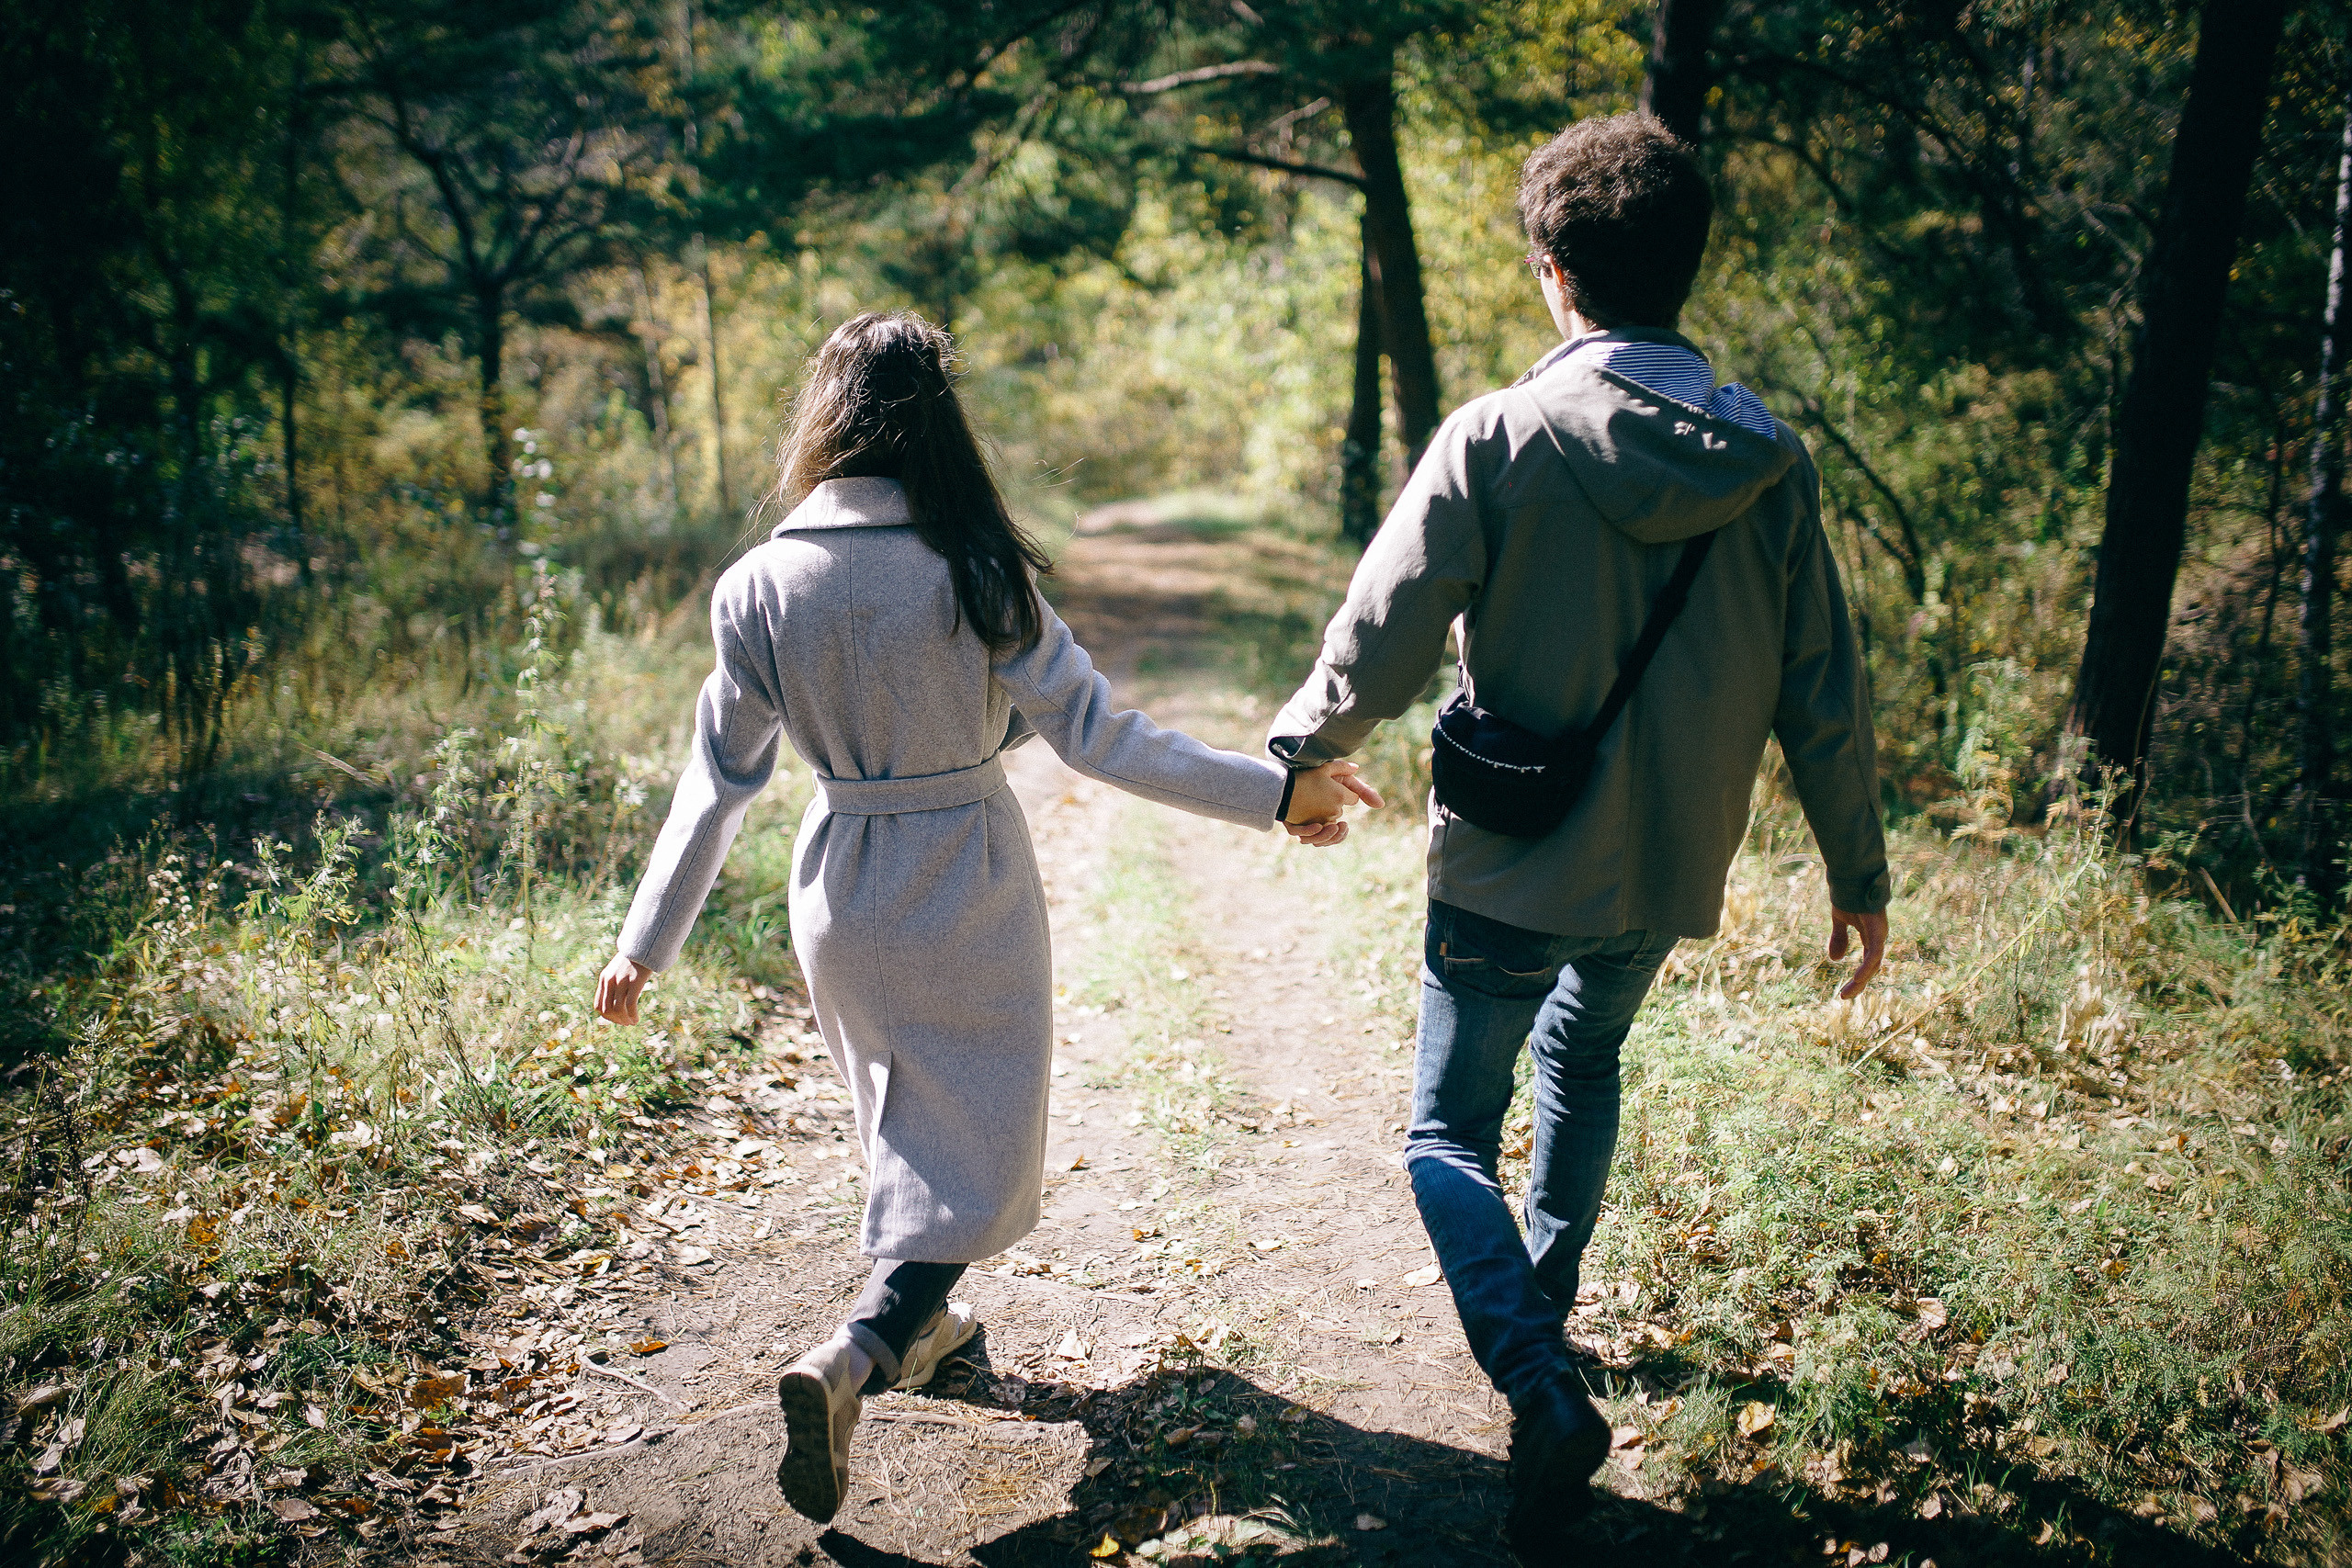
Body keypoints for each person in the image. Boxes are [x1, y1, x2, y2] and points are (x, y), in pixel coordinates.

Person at [592, 311, 1379, 1524]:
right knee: (986, 1148)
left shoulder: (756, 586)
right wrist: (1275, 793)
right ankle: (858, 1350)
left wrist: (644, 941)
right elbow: (1106, 740)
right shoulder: (972, 567)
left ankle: (933, 1332)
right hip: (967, 874)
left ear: (826, 420)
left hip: (838, 888)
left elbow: (719, 781)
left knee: (913, 1133)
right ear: (939, 427)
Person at [1264, 113, 1890, 1563]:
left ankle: (1536, 1377)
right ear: (1688, 265)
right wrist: (1860, 877)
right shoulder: (1774, 464)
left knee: (1442, 1129)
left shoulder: (1498, 436)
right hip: (1667, 867)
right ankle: (1545, 1314)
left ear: (1556, 272)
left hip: (1509, 858)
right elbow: (1825, 693)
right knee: (1584, 1056)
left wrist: (1306, 754)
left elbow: (1385, 626)